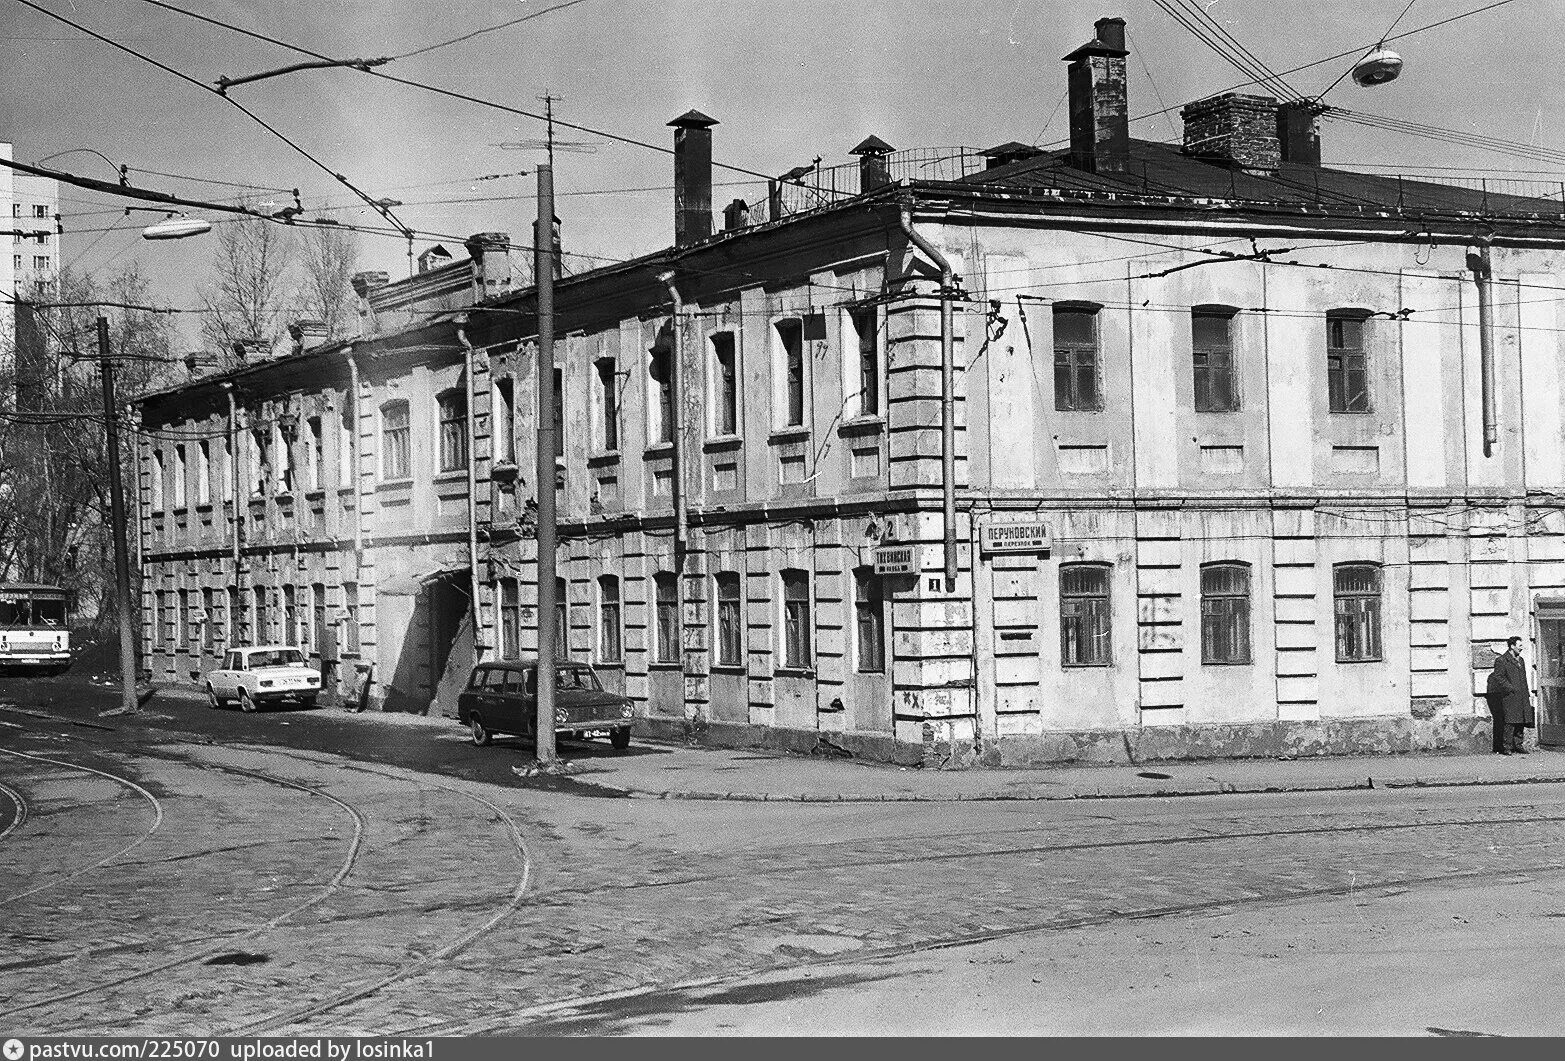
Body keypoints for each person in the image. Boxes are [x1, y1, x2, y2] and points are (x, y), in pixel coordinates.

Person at [1485, 636, 1535, 755]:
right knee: (1510, 721)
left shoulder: (1521, 660)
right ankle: (1506, 747)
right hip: (1510, 696)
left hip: (1522, 695)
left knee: (1521, 720)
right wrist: (1510, 688)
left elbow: (1524, 679)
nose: (1522, 648)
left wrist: (1526, 693)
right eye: (1520, 646)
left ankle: (1518, 744)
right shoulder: (1502, 660)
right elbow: (1498, 677)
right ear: (1512, 646)